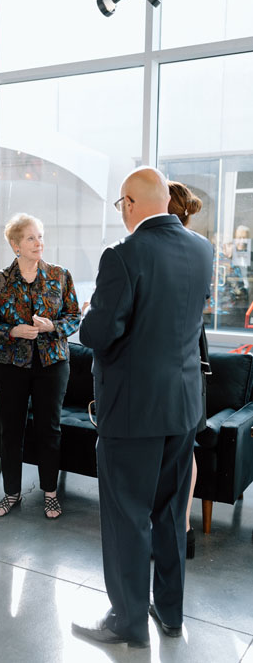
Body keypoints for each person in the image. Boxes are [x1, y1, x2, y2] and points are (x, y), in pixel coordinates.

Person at [73, 167, 213, 648]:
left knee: (127, 516)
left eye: (121, 204)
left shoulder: (123, 255)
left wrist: (91, 312)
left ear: (131, 204)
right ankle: (170, 613)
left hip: (133, 412)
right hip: (183, 406)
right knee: (171, 513)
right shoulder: (202, 250)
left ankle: (128, 622)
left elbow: (98, 333)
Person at [0, 213, 80, 519]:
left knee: (49, 429)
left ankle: (50, 493)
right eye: (31, 238)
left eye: (40, 237)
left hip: (52, 364)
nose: (39, 243)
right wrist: (13, 331)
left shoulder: (60, 275)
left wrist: (53, 326)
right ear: (16, 245)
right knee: (11, 430)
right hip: (10, 365)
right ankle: (11, 492)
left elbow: (74, 316)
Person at [168, 180, 204, 560]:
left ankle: (175, 526)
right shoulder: (199, 249)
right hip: (192, 358)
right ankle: (184, 527)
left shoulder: (166, 252)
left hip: (176, 359)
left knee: (177, 451)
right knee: (185, 450)